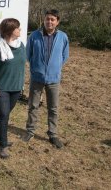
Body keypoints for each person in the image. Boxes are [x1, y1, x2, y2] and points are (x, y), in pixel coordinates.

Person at [21, 9, 69, 149]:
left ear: (57, 22)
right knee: (33, 106)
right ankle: (30, 131)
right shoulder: (34, 36)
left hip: (54, 79)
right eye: (47, 19)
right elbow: (28, 54)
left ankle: (52, 134)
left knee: (53, 108)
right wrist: (37, 68)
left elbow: (64, 56)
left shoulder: (63, 37)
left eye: (52, 19)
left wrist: (55, 68)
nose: (49, 22)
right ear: (44, 20)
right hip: (37, 77)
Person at [0, 18, 26, 158]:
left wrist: (22, 84)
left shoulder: (21, 45)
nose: (20, 30)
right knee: (4, 115)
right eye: (18, 28)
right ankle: (3, 145)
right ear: (10, 30)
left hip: (16, 88)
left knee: (5, 114)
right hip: (1, 88)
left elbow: (21, 66)